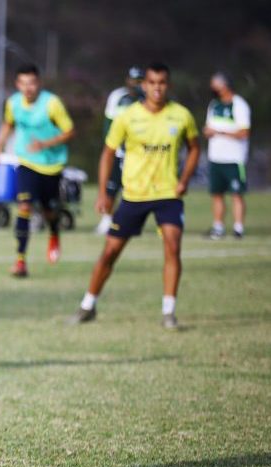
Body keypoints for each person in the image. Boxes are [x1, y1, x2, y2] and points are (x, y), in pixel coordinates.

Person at [72, 62, 200, 329]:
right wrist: (104, 193)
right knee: (110, 252)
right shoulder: (128, 116)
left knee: (173, 247)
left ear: (169, 85)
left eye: (162, 83)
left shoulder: (182, 116)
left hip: (168, 194)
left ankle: (168, 312)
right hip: (134, 195)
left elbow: (194, 148)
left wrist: (185, 179)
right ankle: (88, 304)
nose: (157, 88)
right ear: (144, 86)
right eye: (152, 83)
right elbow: (108, 153)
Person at [0, 63, 75, 278]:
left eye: (32, 83)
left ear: (39, 83)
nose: (29, 88)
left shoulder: (52, 103)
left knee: (49, 211)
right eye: (24, 83)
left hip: (51, 164)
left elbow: (69, 132)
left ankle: (54, 232)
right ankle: (20, 261)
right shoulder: (13, 103)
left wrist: (45, 144)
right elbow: (8, 124)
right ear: (18, 84)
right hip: (26, 162)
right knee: (24, 206)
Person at [96, 66, 145, 235]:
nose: (136, 84)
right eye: (134, 80)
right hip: (117, 151)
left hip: (136, 154)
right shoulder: (118, 97)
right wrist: (109, 144)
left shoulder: (146, 100)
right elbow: (108, 123)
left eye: (139, 80)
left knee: (133, 189)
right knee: (111, 187)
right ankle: (106, 219)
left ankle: (131, 221)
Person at [203, 72, 251, 239]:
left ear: (224, 85)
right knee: (217, 194)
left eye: (214, 85)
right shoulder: (213, 104)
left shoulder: (239, 105)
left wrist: (220, 132)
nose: (212, 88)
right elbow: (209, 127)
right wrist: (208, 132)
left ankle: (238, 228)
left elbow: (244, 132)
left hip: (234, 158)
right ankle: (218, 227)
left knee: (236, 194)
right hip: (216, 157)